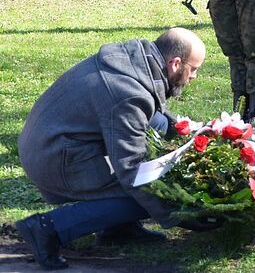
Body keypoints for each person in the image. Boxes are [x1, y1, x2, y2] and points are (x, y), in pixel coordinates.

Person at [15, 28, 214, 270]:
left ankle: (118, 229)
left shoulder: (134, 60)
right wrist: (180, 213)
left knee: (156, 142)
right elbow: (132, 171)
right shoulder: (127, 95)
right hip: (54, 158)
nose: (194, 76)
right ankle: (48, 228)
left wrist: (186, 131)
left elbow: (151, 114)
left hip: (49, 142)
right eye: (193, 69)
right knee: (151, 192)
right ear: (174, 63)